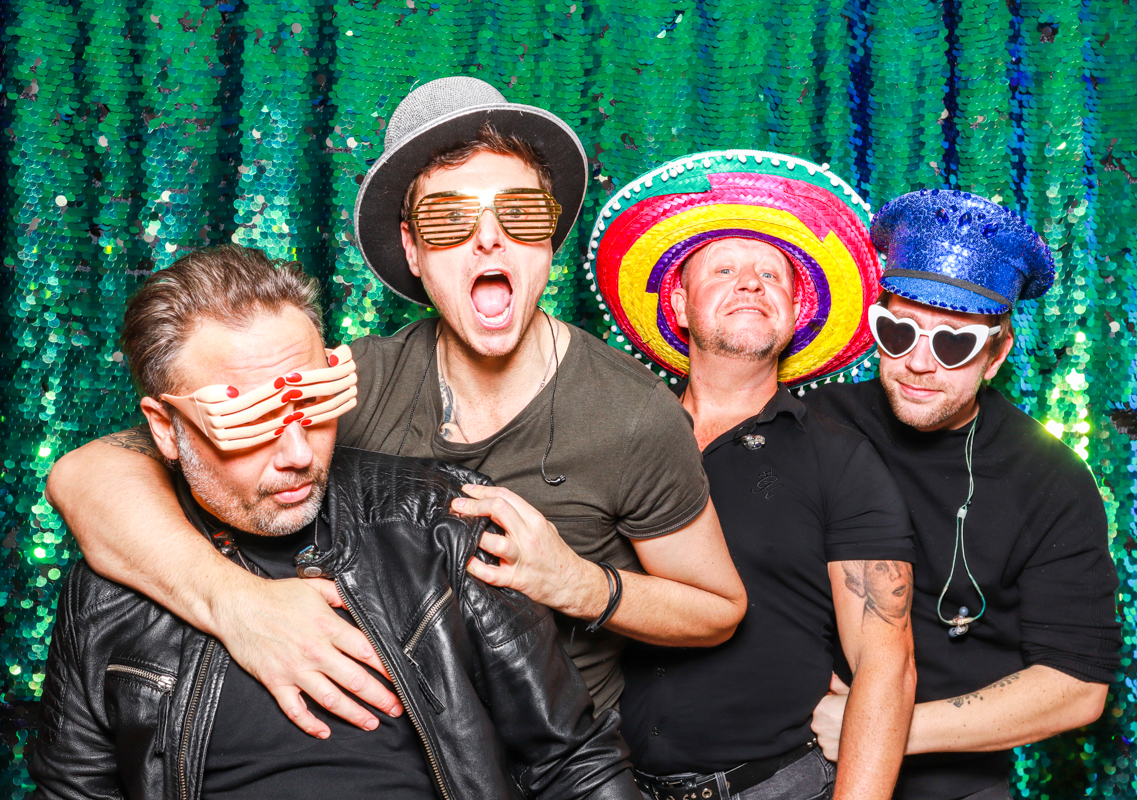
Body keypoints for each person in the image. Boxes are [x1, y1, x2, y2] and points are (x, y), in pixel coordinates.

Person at [45, 76, 746, 732]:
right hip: (394, 760)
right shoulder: (349, 384)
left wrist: (581, 585)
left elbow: (718, 610)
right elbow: (84, 476)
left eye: (520, 212)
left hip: (558, 763)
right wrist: (238, 606)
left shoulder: (631, 411)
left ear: (549, 239)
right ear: (412, 250)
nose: (488, 239)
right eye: (447, 221)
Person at [30, 245, 641, 800]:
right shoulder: (108, 591)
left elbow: (573, 762)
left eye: (314, 402)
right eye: (251, 420)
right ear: (165, 428)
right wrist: (238, 604)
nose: (298, 452)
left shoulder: (439, 518)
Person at [590, 150, 917, 800]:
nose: (751, 283)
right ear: (678, 303)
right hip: (601, 783)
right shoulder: (610, 438)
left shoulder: (838, 459)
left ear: (794, 314)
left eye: (772, 273)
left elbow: (888, 664)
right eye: (726, 268)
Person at [802, 189, 1121, 800]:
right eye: (898, 332)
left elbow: (1078, 686)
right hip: (788, 773)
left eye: (954, 343)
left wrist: (883, 728)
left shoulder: (1050, 480)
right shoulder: (814, 424)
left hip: (951, 786)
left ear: (997, 355)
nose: (919, 363)